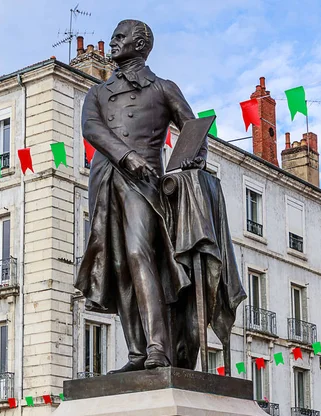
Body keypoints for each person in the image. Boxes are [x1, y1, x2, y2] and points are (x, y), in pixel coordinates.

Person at [75, 19, 207, 373]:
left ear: (141, 42)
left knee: (138, 253)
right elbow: (91, 127)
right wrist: (125, 156)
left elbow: (192, 129)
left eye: (120, 37)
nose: (113, 42)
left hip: (146, 182)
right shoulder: (98, 93)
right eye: (113, 37)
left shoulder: (162, 88)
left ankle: (157, 349)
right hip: (106, 178)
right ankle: (136, 353)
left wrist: (186, 168)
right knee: (117, 264)